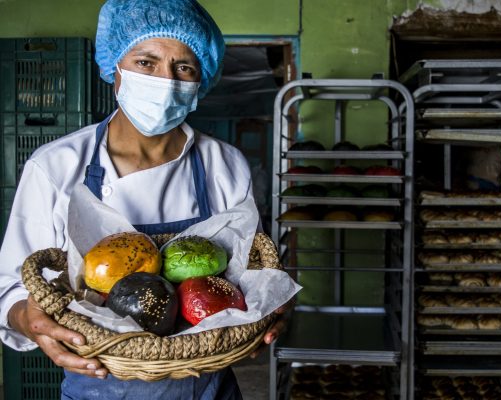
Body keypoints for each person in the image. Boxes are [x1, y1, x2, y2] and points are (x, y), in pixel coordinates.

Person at [0, 0, 288, 398]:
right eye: (146, 62)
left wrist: (269, 305)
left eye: (183, 67)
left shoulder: (224, 164)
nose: (165, 80)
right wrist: (26, 317)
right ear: (114, 69)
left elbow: (250, 268)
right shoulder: (57, 165)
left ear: (201, 80)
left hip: (204, 384)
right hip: (99, 381)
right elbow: (11, 286)